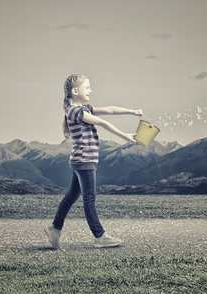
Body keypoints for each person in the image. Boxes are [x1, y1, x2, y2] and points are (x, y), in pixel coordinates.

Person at [44, 74, 143, 249]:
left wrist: (132, 111)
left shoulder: (84, 108)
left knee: (72, 196)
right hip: (84, 160)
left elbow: (110, 110)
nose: (91, 90)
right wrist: (125, 136)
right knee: (89, 198)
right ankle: (99, 236)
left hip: (80, 160)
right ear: (75, 91)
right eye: (87, 87)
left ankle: (55, 228)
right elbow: (103, 122)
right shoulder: (75, 112)